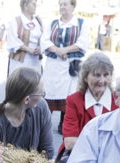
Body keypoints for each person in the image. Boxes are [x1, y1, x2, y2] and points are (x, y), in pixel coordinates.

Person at [57, 52, 117, 163]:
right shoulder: (73, 100)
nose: (102, 80)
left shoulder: (118, 101)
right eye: (96, 75)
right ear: (85, 77)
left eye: (106, 75)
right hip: (77, 157)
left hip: (110, 160)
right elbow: (70, 142)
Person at [40, 0, 90, 132]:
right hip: (53, 65)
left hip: (70, 65)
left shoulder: (80, 23)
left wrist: (65, 50)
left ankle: (64, 123)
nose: (62, 7)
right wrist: (57, 50)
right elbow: (44, 41)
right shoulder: (53, 23)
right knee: (50, 91)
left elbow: (83, 42)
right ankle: (45, 122)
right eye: (61, 4)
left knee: (69, 93)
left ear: (73, 6)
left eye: (66, 4)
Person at [0, 67, 54, 158]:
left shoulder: (41, 107)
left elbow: (47, 151)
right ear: (27, 99)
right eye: (41, 94)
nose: (42, 97)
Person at [6, 0, 43, 75]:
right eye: (33, 4)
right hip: (20, 61)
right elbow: (13, 41)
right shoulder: (16, 21)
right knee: (20, 83)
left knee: (34, 82)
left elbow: (44, 37)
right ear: (26, 6)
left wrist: (40, 47)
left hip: (35, 60)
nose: (35, 6)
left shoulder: (38, 21)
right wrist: (29, 50)